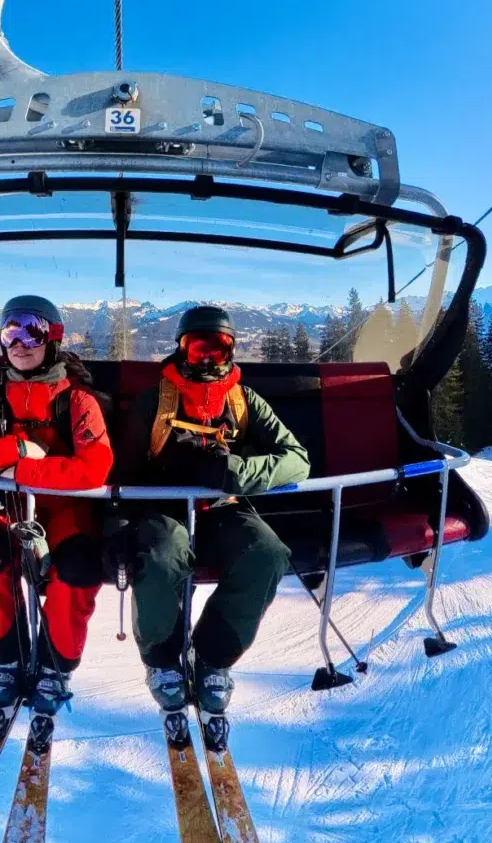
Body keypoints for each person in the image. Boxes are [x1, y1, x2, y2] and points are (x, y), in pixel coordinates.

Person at [112, 305, 310, 721]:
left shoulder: (242, 399)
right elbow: (123, 473)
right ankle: (162, 656)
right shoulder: (158, 402)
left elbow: (297, 459)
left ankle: (214, 654)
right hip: (165, 507)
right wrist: (119, 526)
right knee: (162, 557)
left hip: (223, 505)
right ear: (181, 349)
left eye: (217, 350)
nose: (206, 358)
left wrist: (236, 473)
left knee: (267, 554)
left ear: (230, 351)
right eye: (196, 347)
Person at [0, 295, 113, 717]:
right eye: (9, 332)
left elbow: (95, 467)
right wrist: (17, 446)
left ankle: (55, 665)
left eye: (31, 331)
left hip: (64, 507)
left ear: (52, 338)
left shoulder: (77, 402)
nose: (20, 343)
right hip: (11, 506)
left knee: (77, 568)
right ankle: (8, 659)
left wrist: (20, 472)